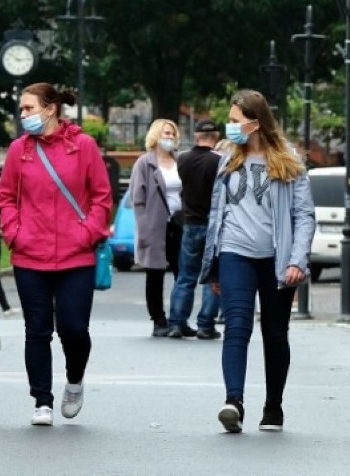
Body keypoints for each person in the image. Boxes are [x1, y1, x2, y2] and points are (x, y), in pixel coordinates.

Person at [199, 89, 316, 433]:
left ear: (255, 122)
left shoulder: (288, 160)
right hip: (235, 253)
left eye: (235, 121)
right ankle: (233, 401)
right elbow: (217, 214)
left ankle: (273, 406)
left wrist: (298, 259)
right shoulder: (227, 158)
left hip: (276, 258)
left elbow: (304, 214)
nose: (230, 127)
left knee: (275, 333)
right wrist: (217, 262)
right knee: (236, 326)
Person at [0, 82, 112, 426]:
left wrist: (87, 233)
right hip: (30, 255)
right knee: (37, 330)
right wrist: (14, 232)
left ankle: (74, 380)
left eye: (28, 108)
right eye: (22, 110)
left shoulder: (84, 146)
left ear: (50, 109)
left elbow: (102, 197)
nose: (23, 115)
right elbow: (6, 196)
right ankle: (42, 400)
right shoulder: (20, 150)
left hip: (76, 256)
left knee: (74, 329)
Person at [168, 119, 223, 340]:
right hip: (213, 225)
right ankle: (205, 324)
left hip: (190, 223)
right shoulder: (219, 162)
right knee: (212, 276)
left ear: (196, 136)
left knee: (185, 276)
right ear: (216, 136)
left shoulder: (183, 160)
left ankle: (177, 323)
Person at [129, 118, 183, 337]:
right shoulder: (145, 163)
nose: (169, 137)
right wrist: (143, 225)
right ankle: (158, 320)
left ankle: (179, 317)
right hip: (154, 224)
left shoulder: (180, 161)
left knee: (183, 272)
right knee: (155, 273)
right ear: (155, 136)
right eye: (165, 133)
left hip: (179, 223)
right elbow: (137, 197)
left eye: (172, 133)